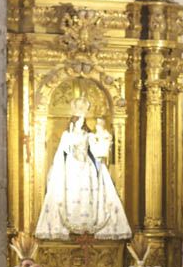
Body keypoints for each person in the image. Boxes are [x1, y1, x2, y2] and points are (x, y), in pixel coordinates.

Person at [34, 101, 132, 241]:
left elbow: (99, 151)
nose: (80, 122)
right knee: (71, 195)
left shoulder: (88, 135)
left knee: (88, 196)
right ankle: (71, 226)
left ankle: (87, 226)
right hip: (71, 168)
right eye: (78, 119)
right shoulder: (67, 135)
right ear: (73, 120)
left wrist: (103, 135)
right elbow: (62, 152)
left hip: (87, 169)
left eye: (82, 119)